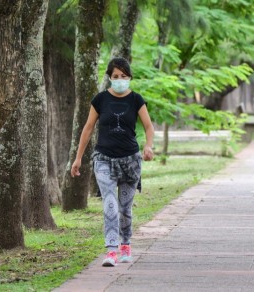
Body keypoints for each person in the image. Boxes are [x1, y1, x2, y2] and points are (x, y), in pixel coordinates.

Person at [70, 57, 154, 267]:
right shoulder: (100, 100)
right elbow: (88, 128)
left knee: (125, 208)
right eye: (115, 76)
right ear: (109, 77)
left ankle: (125, 245)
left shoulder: (136, 99)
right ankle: (111, 250)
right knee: (109, 205)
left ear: (129, 77)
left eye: (123, 76)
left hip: (130, 161)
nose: (119, 80)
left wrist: (148, 146)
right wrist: (78, 158)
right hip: (104, 159)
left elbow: (148, 127)